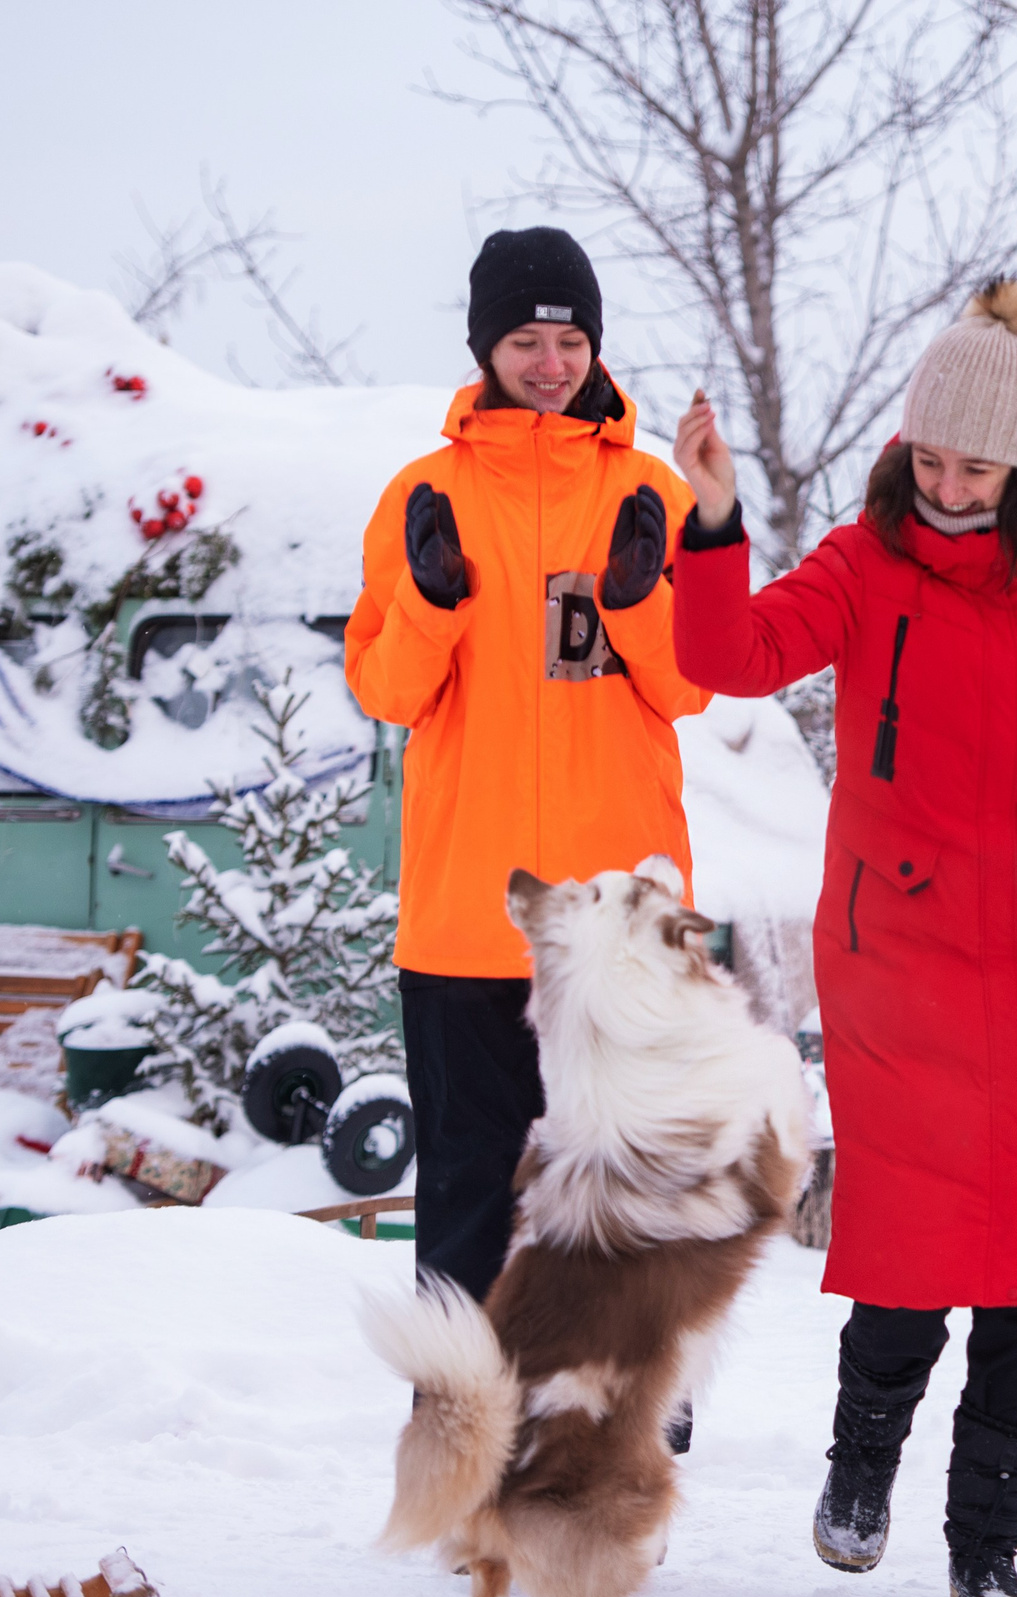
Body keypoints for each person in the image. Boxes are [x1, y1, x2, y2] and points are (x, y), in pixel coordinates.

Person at [669, 280, 1017, 1597]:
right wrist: (713, 519)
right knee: (913, 1236)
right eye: (932, 457)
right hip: (901, 942)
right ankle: (861, 1466)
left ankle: (989, 1548)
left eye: (977, 463)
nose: (949, 484)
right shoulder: (863, 562)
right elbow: (730, 653)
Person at [345, 226, 707, 1314]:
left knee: (632, 1178)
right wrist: (432, 597)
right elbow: (387, 693)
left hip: (621, 915)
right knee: (467, 1187)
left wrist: (641, 600)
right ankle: (461, 1423)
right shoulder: (426, 492)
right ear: (484, 348)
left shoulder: (652, 494)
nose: (549, 363)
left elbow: (691, 688)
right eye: (523, 339)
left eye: (567, 338)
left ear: (593, 346)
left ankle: (633, 1418)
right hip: (467, 915)